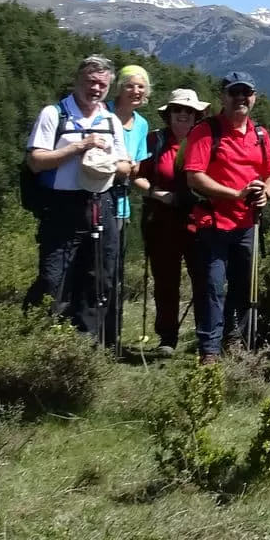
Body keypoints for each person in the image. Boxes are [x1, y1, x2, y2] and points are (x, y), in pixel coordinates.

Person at [24, 55, 133, 342]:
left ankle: (84, 345)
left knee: (99, 276)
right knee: (53, 278)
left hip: (101, 203)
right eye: (90, 82)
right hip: (61, 205)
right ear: (77, 81)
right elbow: (36, 161)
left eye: (102, 85)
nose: (96, 89)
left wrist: (108, 163)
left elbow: (125, 166)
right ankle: (39, 337)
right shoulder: (54, 114)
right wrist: (80, 147)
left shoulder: (110, 120)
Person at [182, 72, 270, 364]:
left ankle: (234, 340)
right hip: (213, 223)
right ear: (222, 97)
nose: (240, 98)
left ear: (254, 98)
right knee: (213, 287)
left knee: (243, 287)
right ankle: (209, 350)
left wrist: (266, 193)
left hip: (248, 224)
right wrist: (235, 194)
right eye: (234, 93)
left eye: (246, 93)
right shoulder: (206, 131)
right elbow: (194, 177)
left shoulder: (260, 134)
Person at [135, 87, 209, 356]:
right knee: (166, 282)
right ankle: (167, 338)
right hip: (162, 222)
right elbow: (136, 175)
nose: (183, 115)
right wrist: (158, 194)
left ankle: (206, 337)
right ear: (169, 114)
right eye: (178, 110)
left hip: (197, 222)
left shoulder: (204, 141)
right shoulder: (155, 141)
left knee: (204, 280)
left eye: (189, 111)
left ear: (197, 115)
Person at [106, 65, 154, 346]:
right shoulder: (103, 114)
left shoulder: (141, 124)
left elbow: (137, 170)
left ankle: (111, 336)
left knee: (114, 271)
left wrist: (157, 193)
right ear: (119, 88)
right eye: (130, 85)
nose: (136, 91)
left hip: (121, 204)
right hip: (97, 198)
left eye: (141, 87)